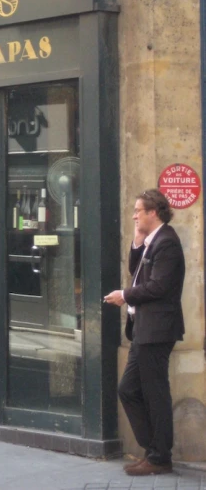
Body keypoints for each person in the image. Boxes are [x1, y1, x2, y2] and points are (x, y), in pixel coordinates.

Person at [104, 189, 185, 476]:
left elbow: (158, 287)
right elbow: (137, 272)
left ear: (154, 212)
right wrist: (137, 241)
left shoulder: (167, 243)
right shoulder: (152, 242)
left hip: (157, 330)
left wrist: (124, 295)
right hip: (144, 330)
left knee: (155, 393)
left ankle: (160, 456)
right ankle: (153, 450)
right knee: (128, 389)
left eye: (139, 210)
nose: (135, 214)